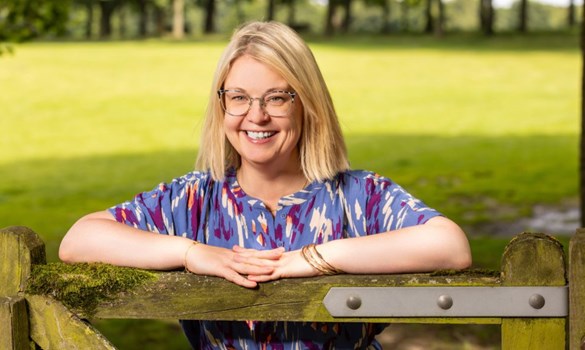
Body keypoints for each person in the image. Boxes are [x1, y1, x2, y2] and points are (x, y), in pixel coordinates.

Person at [59, 21, 472, 349]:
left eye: (276, 98)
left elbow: (450, 246)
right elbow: (80, 239)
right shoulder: (195, 199)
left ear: (308, 104)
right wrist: (191, 252)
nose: (255, 116)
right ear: (221, 105)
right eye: (238, 97)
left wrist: (315, 257)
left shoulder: (358, 196)